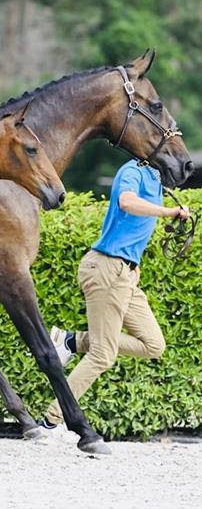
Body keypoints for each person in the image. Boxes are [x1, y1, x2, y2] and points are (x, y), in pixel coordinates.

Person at [41, 159, 190, 436]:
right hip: (107, 268)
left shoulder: (155, 179)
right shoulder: (132, 170)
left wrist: (136, 263)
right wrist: (168, 212)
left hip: (126, 274)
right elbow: (127, 202)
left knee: (154, 344)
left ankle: (72, 341)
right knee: (102, 354)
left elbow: (132, 230)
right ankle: (52, 421)